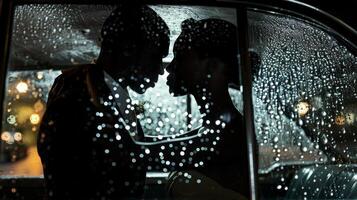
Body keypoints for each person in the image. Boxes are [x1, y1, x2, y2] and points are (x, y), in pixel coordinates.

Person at [37, 4, 169, 200]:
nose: (159, 70)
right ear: (128, 49)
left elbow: (127, 147)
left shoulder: (100, 88)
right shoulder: (79, 93)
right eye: (155, 57)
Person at [130, 18, 250, 199]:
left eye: (181, 57)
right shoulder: (215, 127)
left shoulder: (230, 131)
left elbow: (148, 154)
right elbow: (149, 145)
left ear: (212, 66)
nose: (170, 68)